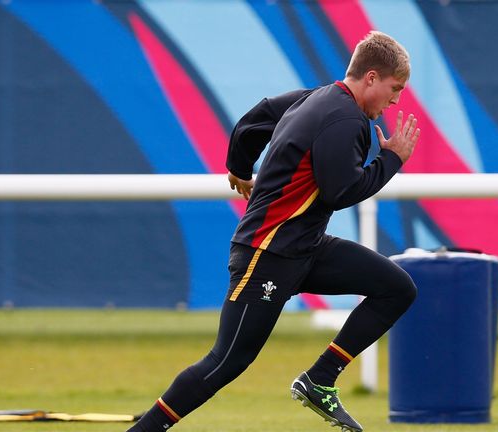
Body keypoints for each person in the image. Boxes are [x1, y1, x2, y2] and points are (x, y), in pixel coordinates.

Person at [128, 31, 420, 432]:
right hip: (267, 253)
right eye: (395, 88)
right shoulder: (347, 119)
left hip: (303, 249)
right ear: (371, 77)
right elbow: (341, 190)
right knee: (226, 362)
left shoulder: (313, 97)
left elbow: (256, 118)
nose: (396, 101)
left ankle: (320, 378)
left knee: (397, 287)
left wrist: (239, 167)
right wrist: (390, 160)